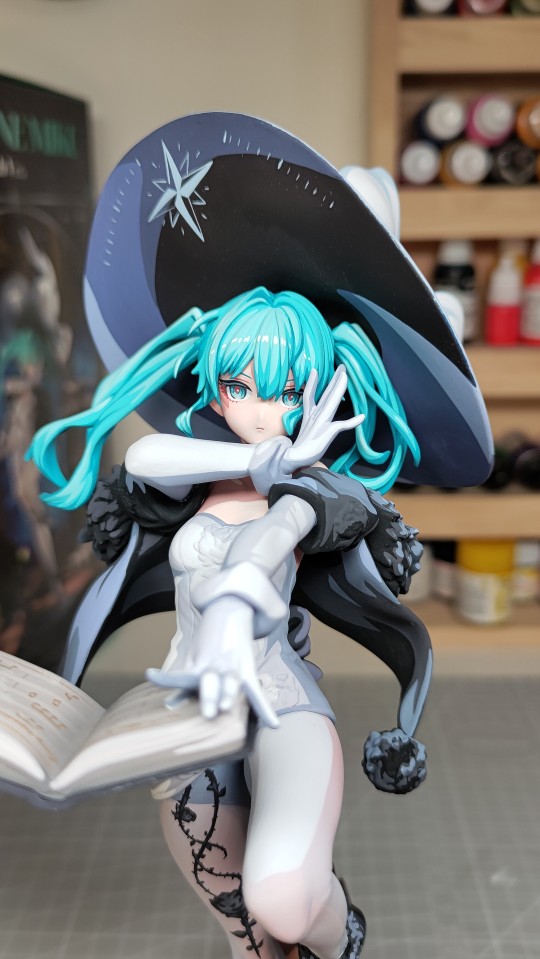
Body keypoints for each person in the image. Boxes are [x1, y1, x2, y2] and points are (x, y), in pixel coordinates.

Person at [25, 112, 493, 959]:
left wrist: (240, 601)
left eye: (281, 390)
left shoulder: (312, 492)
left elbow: (268, 543)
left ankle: (342, 937)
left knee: (283, 898)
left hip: (277, 703)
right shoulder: (207, 466)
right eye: (238, 385)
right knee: (245, 933)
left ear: (324, 387)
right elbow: (151, 458)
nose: (256, 406)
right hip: (187, 717)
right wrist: (259, 454)